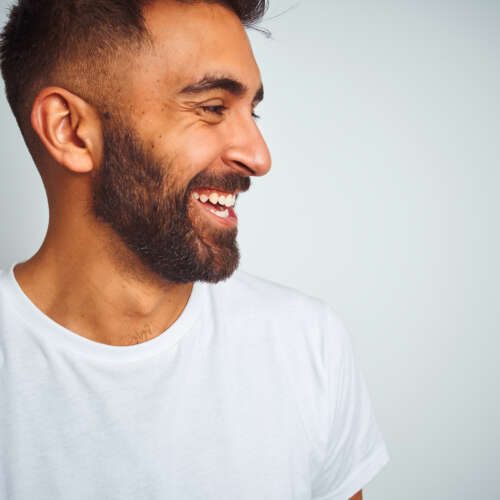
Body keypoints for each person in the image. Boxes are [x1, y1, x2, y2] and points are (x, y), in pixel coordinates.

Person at [0, 1, 389, 499]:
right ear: (71, 130)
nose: (259, 156)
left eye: (253, 111)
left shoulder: (307, 344)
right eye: (211, 108)